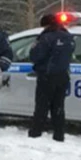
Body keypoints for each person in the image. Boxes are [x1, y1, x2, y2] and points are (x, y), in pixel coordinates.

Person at [28, 13, 76, 141]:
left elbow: (35, 55)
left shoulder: (46, 38)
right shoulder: (69, 37)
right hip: (63, 76)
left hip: (47, 76)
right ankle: (59, 134)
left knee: (41, 107)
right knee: (58, 107)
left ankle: (36, 133)